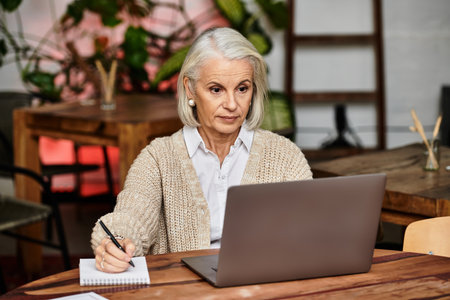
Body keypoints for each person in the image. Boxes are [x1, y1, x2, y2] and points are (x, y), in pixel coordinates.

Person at [91, 27, 312, 273]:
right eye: (216, 89)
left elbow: (311, 227)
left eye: (242, 88)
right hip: (184, 292)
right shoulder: (158, 158)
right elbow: (131, 216)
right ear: (190, 89)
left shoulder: (284, 155)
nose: (231, 104)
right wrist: (117, 242)